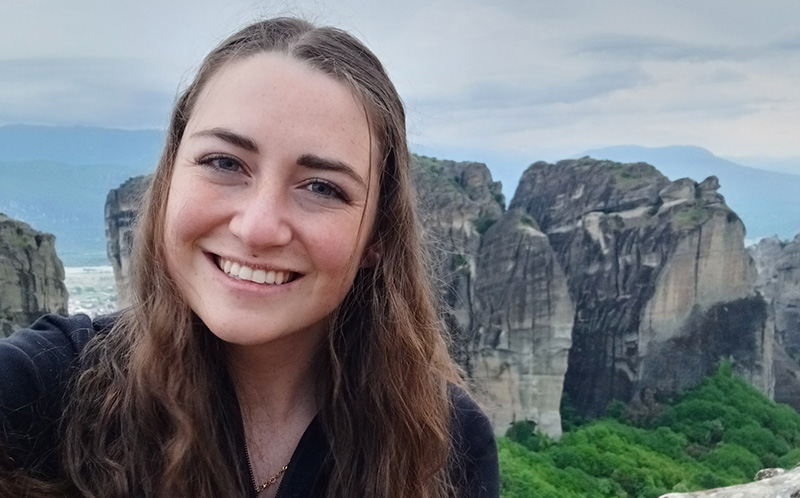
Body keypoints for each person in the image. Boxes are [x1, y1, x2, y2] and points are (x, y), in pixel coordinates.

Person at [0, 17, 499, 498]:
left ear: (377, 236)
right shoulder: (47, 386)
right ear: (170, 177)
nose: (258, 227)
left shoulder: (447, 445)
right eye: (224, 162)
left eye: (322, 187)